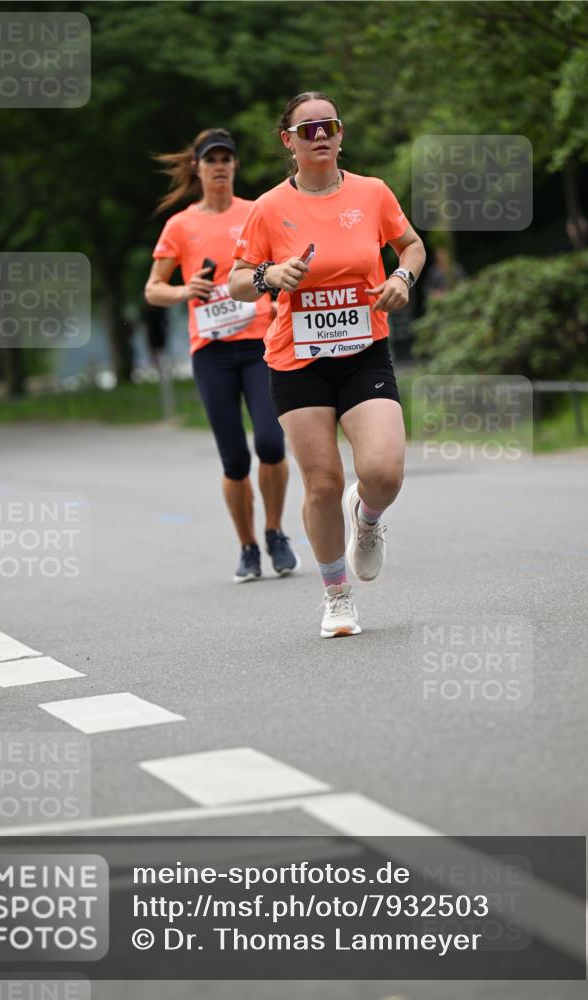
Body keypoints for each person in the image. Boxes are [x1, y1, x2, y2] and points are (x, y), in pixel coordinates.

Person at [229, 92, 425, 636]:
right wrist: (271, 275)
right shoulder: (268, 208)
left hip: (365, 351)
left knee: (383, 472)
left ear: (340, 135)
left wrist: (401, 279)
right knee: (320, 483)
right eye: (307, 128)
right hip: (298, 361)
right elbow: (237, 280)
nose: (320, 135)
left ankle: (367, 518)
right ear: (287, 141)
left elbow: (411, 246)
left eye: (329, 126)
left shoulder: (373, 192)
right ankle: (337, 596)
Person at [145, 128, 299, 582]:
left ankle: (274, 532)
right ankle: (248, 547)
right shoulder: (181, 225)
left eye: (226, 159)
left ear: (234, 166)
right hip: (211, 352)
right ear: (197, 168)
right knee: (234, 459)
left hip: (259, 344)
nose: (219, 167)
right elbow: (152, 289)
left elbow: (284, 262)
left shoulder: (256, 213)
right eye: (211, 160)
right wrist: (181, 290)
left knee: (270, 444)